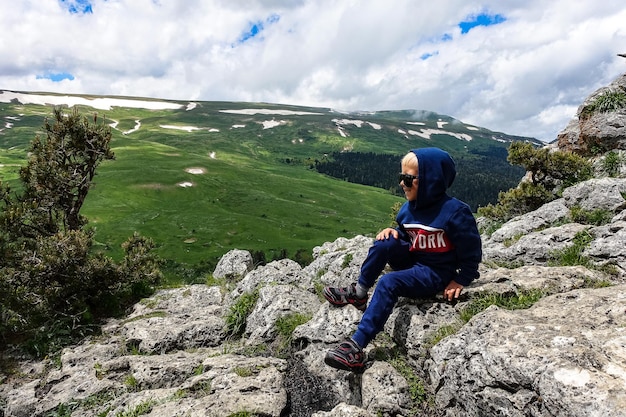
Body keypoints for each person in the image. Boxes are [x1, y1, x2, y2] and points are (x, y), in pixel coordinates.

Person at [323, 147, 482, 372]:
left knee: (389, 283)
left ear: (431, 181)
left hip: (435, 272)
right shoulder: (408, 209)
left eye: (408, 179)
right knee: (383, 243)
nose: (402, 184)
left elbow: (472, 249)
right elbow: (406, 230)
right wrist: (394, 233)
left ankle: (357, 346)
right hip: (414, 260)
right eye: (401, 177)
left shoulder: (455, 213)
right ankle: (359, 293)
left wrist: (462, 278)